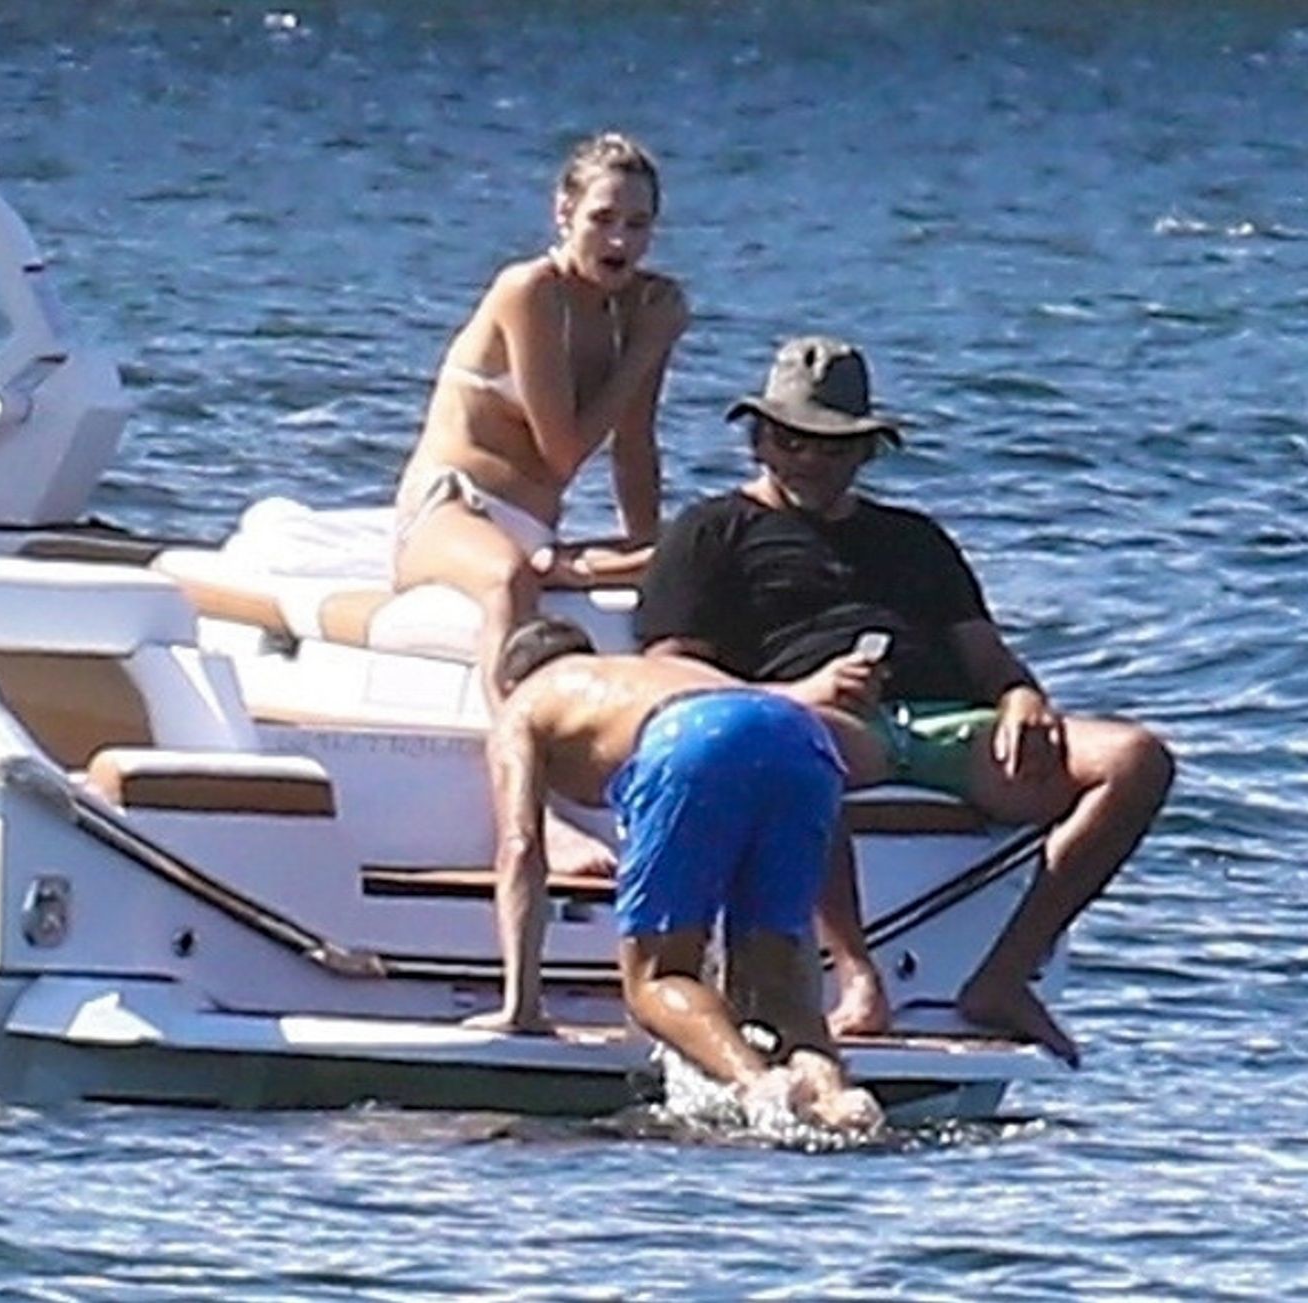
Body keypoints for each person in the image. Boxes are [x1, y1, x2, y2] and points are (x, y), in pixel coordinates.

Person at [635, 336, 1176, 1065]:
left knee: (1136, 759)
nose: (809, 459)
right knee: (794, 745)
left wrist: (1021, 696)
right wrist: (795, 693)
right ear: (759, 440)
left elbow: (985, 653)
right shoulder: (712, 531)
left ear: (866, 451)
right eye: (792, 441)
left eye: (833, 446)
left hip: (944, 721)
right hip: (810, 717)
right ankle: (858, 977)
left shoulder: (914, 539)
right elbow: (667, 673)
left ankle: (1005, 975)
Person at [468, 614, 884, 1133]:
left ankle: (759, 1087)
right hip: (800, 735)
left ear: (509, 681)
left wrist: (521, 1007)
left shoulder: (524, 703)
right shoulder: (658, 671)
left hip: (691, 737)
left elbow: (520, 846)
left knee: (658, 978)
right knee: (776, 988)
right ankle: (836, 1097)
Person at [393, 132, 689, 708]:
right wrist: (646, 348)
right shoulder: (529, 291)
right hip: (453, 510)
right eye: (602, 219)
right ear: (564, 212)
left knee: (691, 554)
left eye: (638, 224)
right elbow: (563, 453)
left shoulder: (642, 308)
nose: (620, 241)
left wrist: (647, 550)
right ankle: (511, 732)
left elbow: (634, 445)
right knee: (507, 578)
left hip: (536, 527)